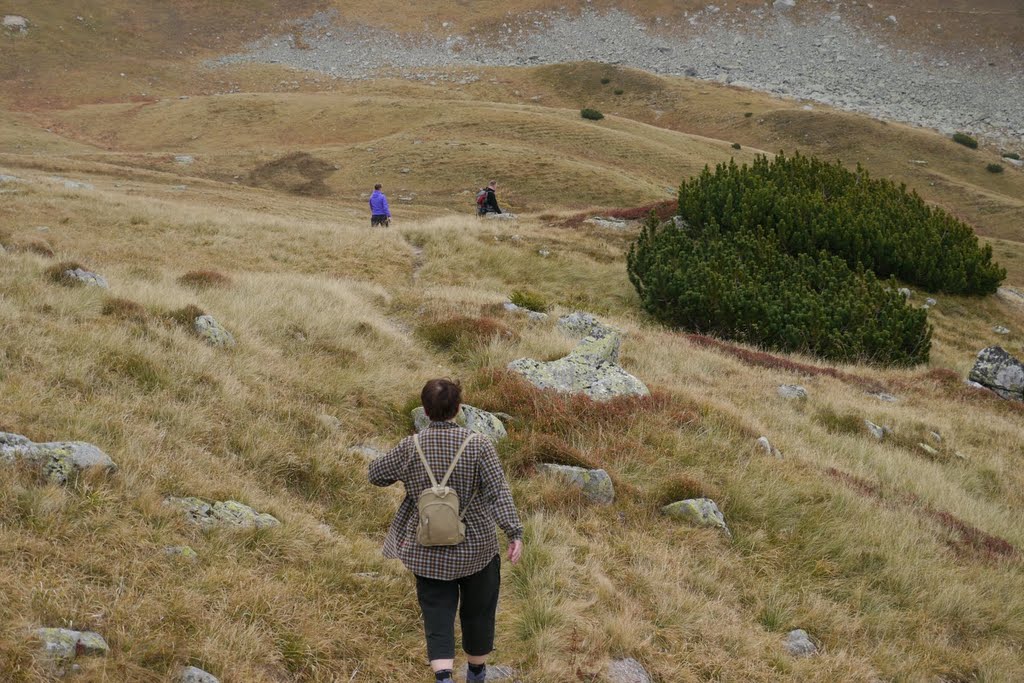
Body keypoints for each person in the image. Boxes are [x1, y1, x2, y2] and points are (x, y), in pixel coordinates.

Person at [370, 379, 524, 683]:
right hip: (477, 549)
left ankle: (443, 678)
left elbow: (376, 474)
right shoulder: (479, 445)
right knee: (478, 614)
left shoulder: (410, 446)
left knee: (437, 616)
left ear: (425, 411)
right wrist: (513, 532)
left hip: (428, 551)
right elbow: (498, 493)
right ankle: (476, 675)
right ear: (459, 409)